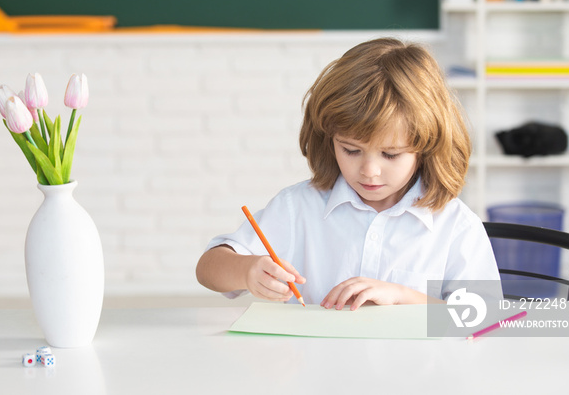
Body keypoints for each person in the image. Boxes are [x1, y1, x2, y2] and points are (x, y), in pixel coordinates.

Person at [196, 37, 501, 310]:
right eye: (351, 150)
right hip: (314, 368)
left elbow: (485, 318)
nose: (369, 170)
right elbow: (208, 268)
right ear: (329, 140)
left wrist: (401, 297)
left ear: (426, 146)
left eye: (391, 154)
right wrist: (247, 271)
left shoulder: (454, 225)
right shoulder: (299, 207)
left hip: (412, 372)